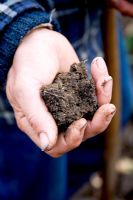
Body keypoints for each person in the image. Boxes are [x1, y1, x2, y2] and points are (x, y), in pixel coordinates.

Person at [0, 0, 132, 199]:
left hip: (91, 26)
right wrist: (19, 27)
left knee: (112, 123)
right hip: (19, 62)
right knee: (37, 185)